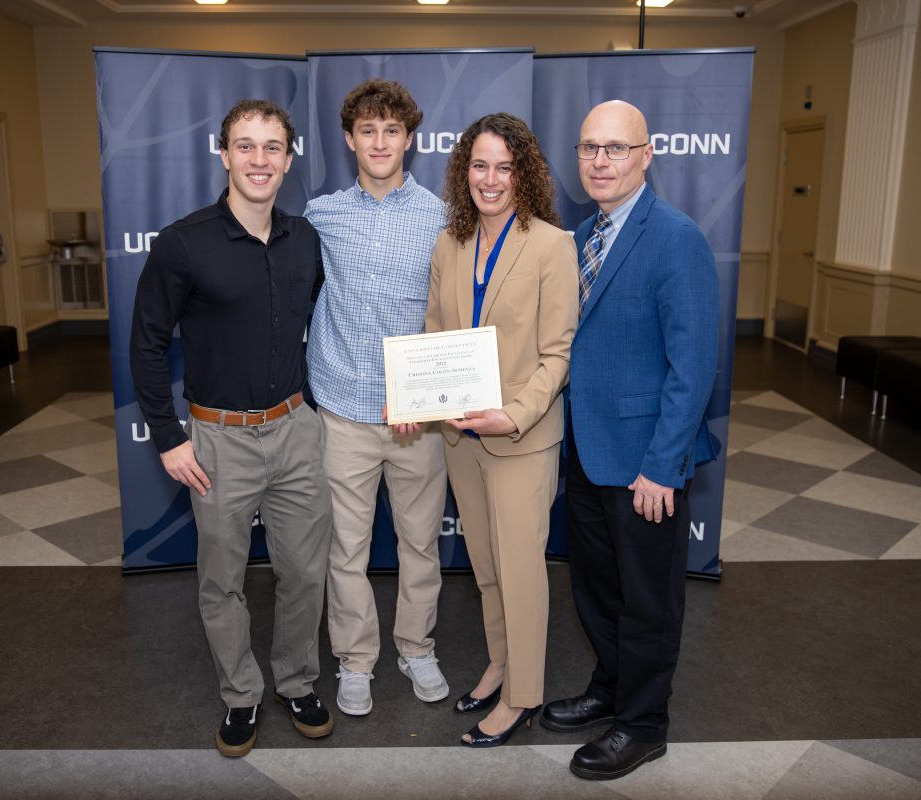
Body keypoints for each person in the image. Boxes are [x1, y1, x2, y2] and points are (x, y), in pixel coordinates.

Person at [129, 99, 334, 758]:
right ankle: (241, 694)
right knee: (223, 580)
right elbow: (146, 344)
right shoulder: (182, 243)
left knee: (304, 572)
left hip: (296, 428)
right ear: (223, 154)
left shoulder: (306, 239)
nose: (259, 160)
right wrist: (168, 434)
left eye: (272, 147)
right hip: (217, 439)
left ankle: (297, 681)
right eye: (245, 146)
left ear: (289, 158)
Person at [541, 100, 720, 781]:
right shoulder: (582, 234)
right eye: (590, 148)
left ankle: (644, 724)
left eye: (616, 148)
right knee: (598, 589)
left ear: (647, 155)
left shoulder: (675, 237)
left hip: (645, 465)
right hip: (587, 453)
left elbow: (693, 365)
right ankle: (611, 688)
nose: (600, 160)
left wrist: (662, 467)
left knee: (648, 599)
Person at [420, 112, 578, 747]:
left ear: (524, 174)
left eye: (503, 167)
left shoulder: (550, 245)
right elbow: (435, 332)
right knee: (485, 566)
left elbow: (557, 354)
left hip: (520, 438)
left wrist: (512, 414)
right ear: (465, 172)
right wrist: (421, 395)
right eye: (479, 165)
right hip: (461, 438)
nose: (490, 179)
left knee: (520, 570)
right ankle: (500, 663)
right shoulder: (449, 243)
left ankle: (522, 696)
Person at [304, 79, 450, 717]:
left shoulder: (445, 216)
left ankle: (416, 647)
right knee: (346, 550)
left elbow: (455, 315)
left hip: (419, 421)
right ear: (349, 139)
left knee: (421, 544)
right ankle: (355, 660)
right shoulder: (320, 215)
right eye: (368, 130)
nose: (380, 141)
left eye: (392, 130)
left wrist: (434, 395)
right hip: (343, 412)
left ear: (409, 139)